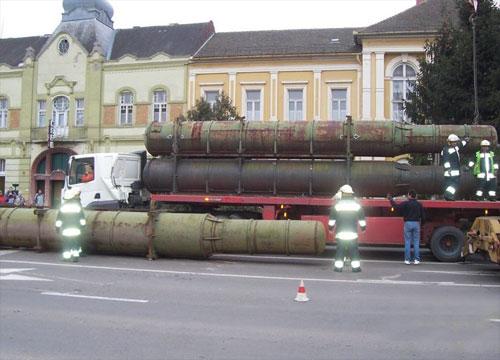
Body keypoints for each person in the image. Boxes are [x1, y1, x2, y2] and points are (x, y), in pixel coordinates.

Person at [328, 184, 366, 273]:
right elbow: (362, 220)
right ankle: (356, 268)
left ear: (342, 193)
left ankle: (338, 268)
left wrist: (330, 229)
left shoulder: (337, 206)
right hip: (352, 233)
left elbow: (332, 221)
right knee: (354, 251)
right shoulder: (357, 206)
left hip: (341, 233)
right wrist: (363, 229)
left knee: (340, 251)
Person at [388, 190, 425, 265]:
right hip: (416, 223)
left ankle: (407, 260)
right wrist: (422, 224)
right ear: (415, 196)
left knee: (407, 242)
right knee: (416, 242)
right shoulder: (419, 204)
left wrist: (390, 199)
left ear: (410, 195)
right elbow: (423, 216)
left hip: (408, 223)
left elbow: (396, 207)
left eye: (408, 195)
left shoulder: (406, 203)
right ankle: (416, 260)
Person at [55, 187, 86, 262]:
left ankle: (66, 257)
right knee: (75, 242)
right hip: (76, 229)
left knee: (66, 244)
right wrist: (83, 227)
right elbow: (82, 218)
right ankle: (75, 257)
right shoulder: (77, 206)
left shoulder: (63, 207)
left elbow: (59, 219)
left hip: (66, 229)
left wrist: (57, 228)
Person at [441, 134, 468, 201]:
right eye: (454, 142)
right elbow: (446, 160)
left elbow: (460, 145)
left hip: (453, 171)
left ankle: (448, 195)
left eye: (456, 142)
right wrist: (448, 169)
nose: (455, 143)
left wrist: (465, 141)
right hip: (451, 172)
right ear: (449, 142)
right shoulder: (446, 150)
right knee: (454, 184)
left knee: (450, 185)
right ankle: (448, 195)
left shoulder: (455, 148)